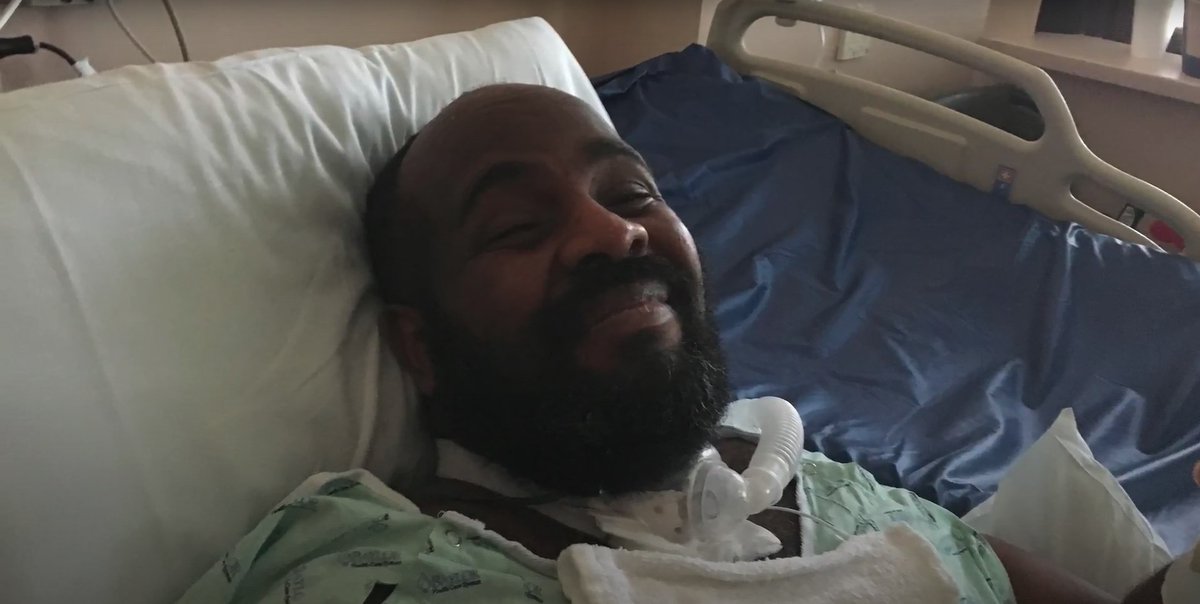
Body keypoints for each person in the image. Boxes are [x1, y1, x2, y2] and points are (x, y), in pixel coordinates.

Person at [179, 84, 1170, 604]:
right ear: (420, 347)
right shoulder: (353, 562)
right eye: (520, 227)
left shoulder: (825, 480)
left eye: (632, 194)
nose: (615, 235)